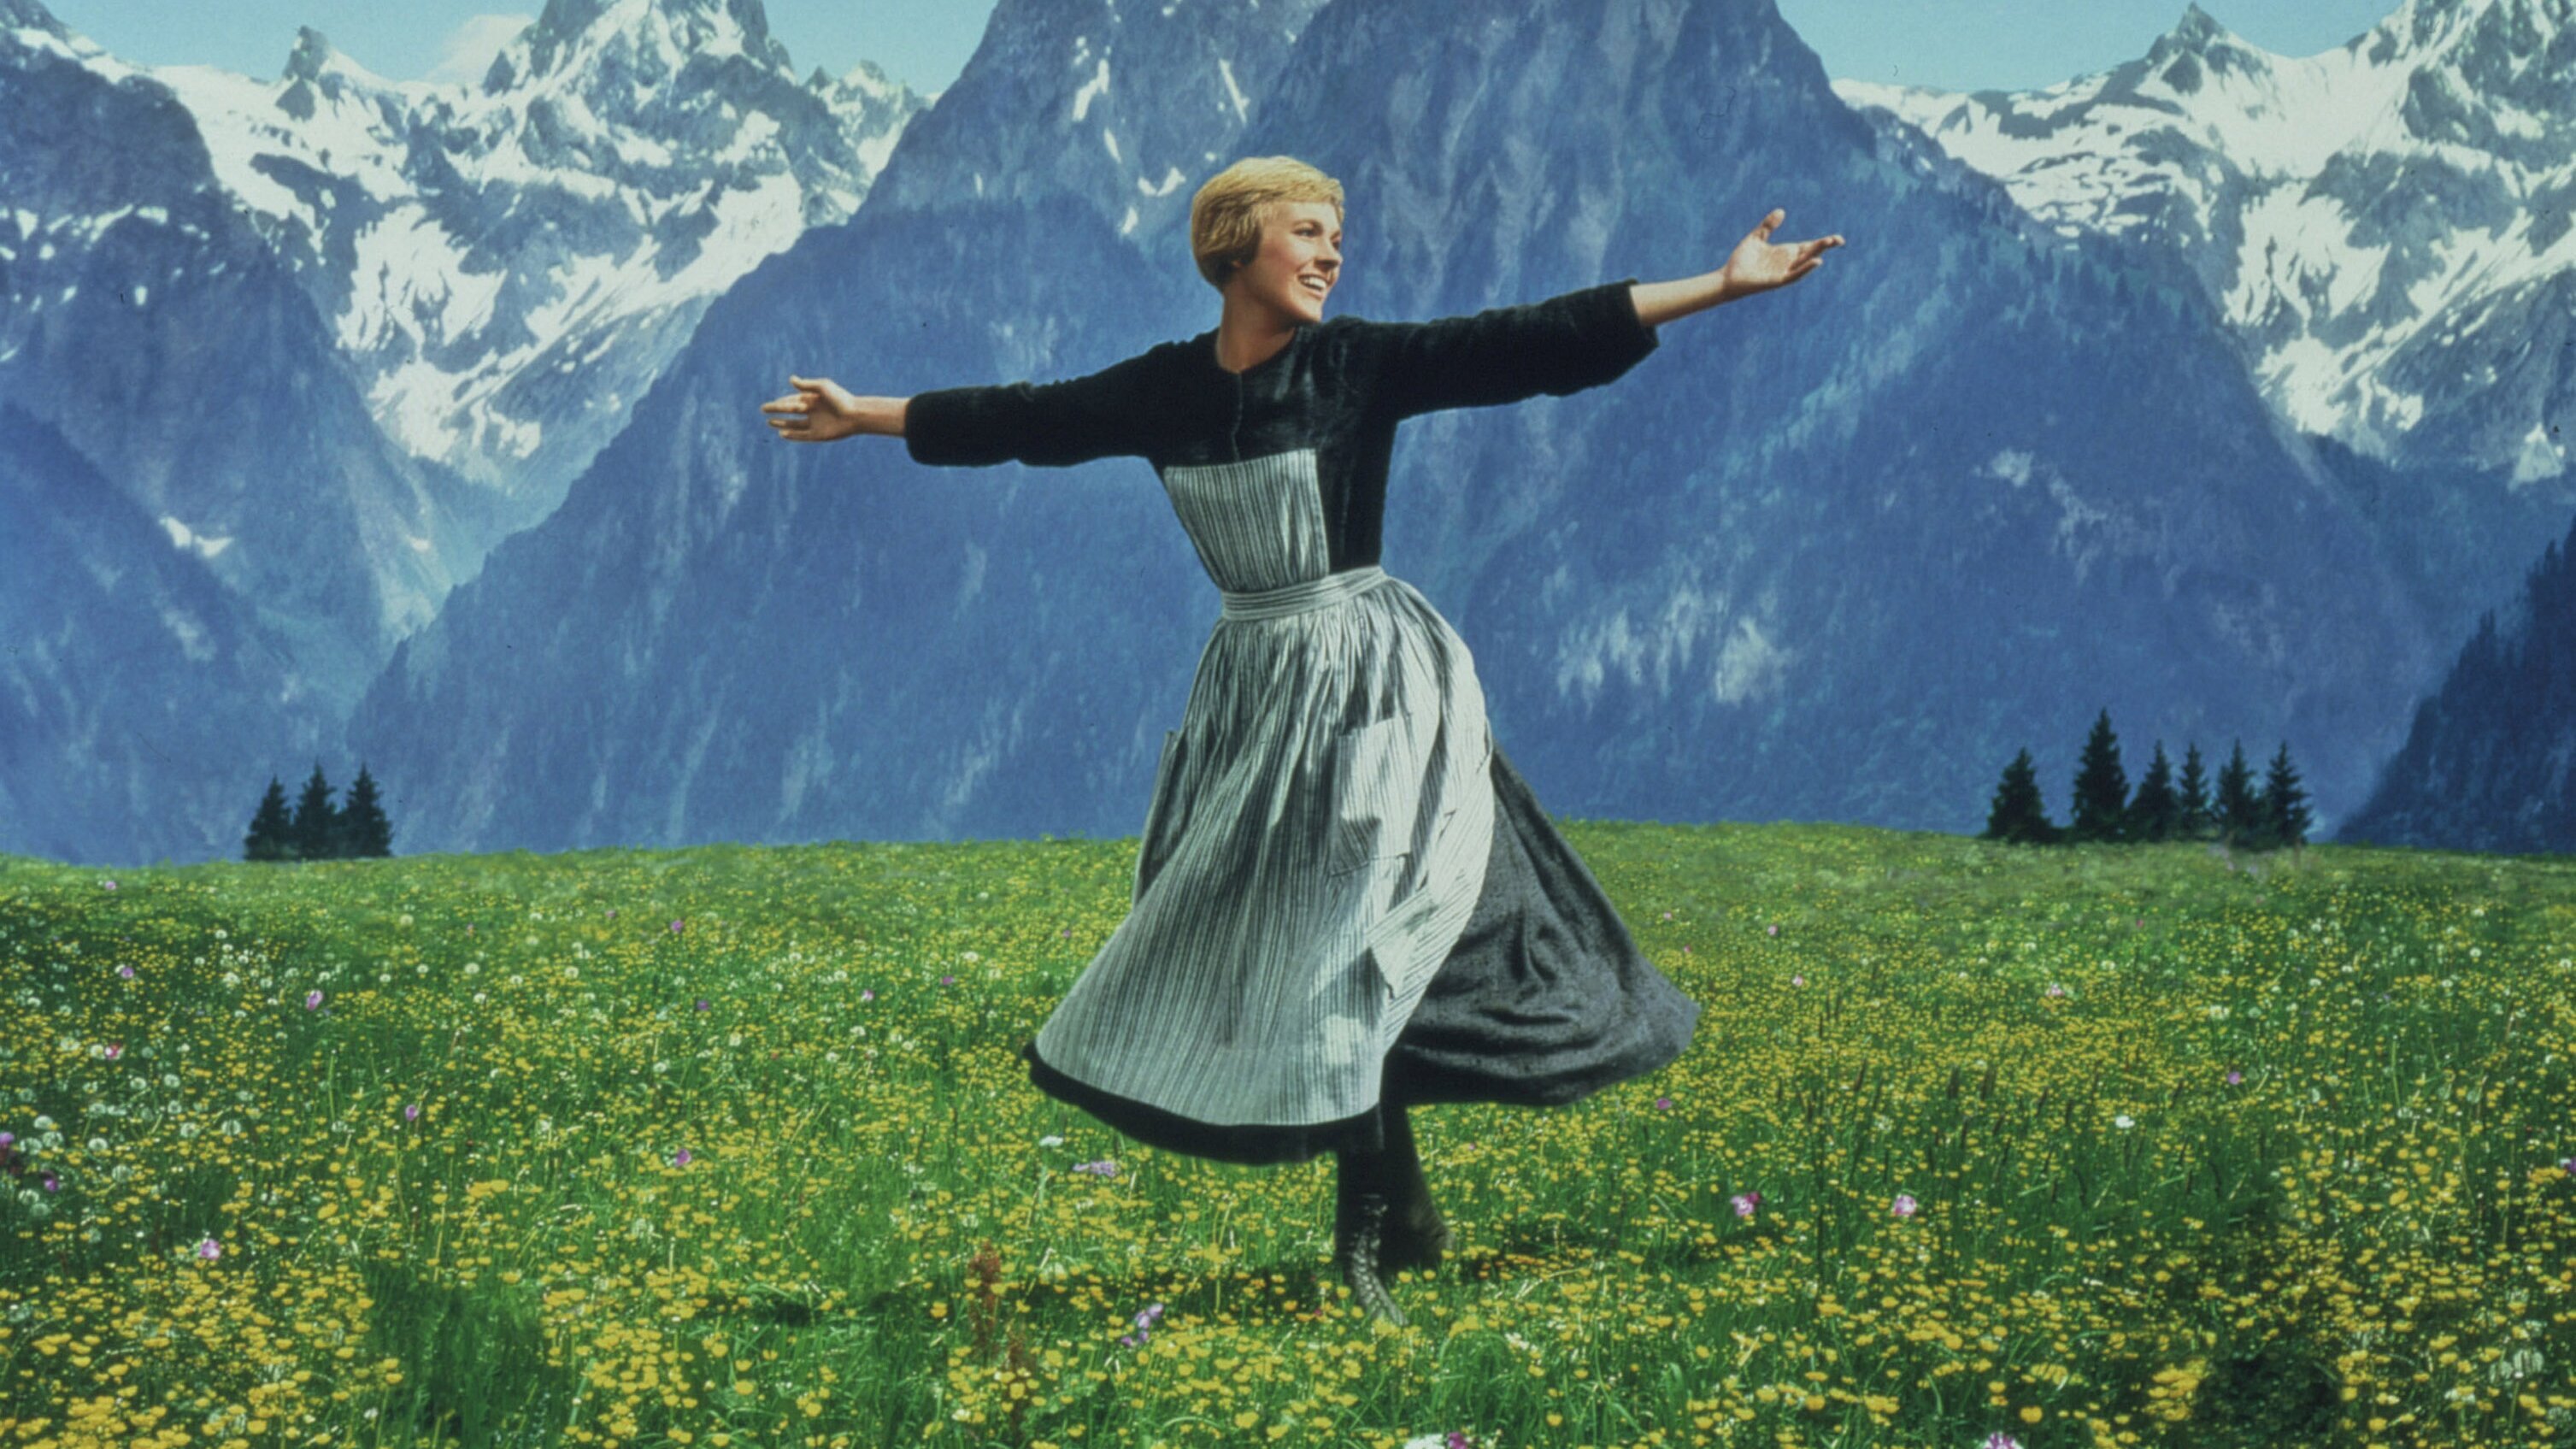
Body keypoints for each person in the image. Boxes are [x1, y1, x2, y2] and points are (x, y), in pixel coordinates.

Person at [762, 156, 1844, 1328]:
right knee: (1305, 955)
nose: (1332, 254)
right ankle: (1404, 1215)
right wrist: (863, 415)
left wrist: (1718, 286)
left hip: (1371, 687)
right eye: (1308, 232)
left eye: (1336, 235)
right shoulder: (1165, 389)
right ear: (1236, 248)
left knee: (1366, 936)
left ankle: (1368, 1233)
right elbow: (1026, 419)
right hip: (1254, 695)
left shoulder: (1354, 365)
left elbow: (1524, 342)